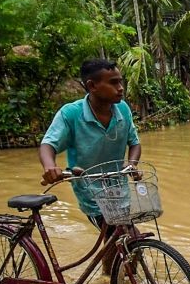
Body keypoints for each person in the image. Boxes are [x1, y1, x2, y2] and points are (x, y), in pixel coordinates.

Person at [39, 58, 141, 242]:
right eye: (113, 82)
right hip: (90, 190)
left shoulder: (123, 109)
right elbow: (48, 144)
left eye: (120, 81)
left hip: (118, 188)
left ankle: (109, 271)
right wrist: (50, 167)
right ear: (92, 86)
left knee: (118, 242)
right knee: (130, 239)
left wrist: (132, 165)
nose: (121, 87)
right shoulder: (71, 114)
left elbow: (134, 142)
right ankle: (114, 270)